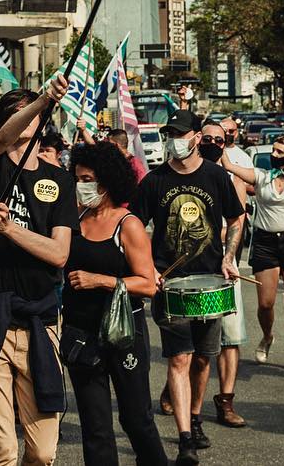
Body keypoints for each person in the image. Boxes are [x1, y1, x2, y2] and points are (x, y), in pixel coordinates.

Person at [133, 110, 244, 466]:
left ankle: (195, 417)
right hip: (170, 285)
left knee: (202, 358)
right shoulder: (155, 181)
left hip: (210, 282)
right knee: (179, 358)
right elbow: (133, 224)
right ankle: (184, 440)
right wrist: (148, 268)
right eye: (170, 134)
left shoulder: (216, 176)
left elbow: (236, 217)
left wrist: (229, 257)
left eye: (180, 133)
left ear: (197, 136)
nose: (174, 140)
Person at [0, 78, 74, 466]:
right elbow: (3, 138)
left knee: (43, 452)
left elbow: (59, 254)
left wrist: (11, 229)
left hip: (42, 324)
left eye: (31, 111)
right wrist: (44, 98)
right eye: (15, 114)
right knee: (4, 451)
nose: (24, 119)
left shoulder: (60, 180)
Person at [64, 142, 165, 466]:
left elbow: (148, 284)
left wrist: (102, 281)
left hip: (123, 334)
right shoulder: (74, 220)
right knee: (95, 428)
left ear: (106, 182)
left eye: (87, 178)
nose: (81, 185)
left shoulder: (128, 224)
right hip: (81, 334)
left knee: (136, 419)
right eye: (77, 178)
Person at [224, 133, 284, 374]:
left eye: (279, 152)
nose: (274, 155)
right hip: (265, 242)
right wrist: (220, 142)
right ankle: (267, 336)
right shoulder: (261, 176)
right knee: (266, 303)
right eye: (273, 151)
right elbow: (229, 166)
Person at [202, 121, 249, 428]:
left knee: (230, 338)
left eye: (220, 139)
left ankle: (226, 401)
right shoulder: (180, 174)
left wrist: (227, 255)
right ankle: (177, 390)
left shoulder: (234, 178)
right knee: (195, 340)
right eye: (208, 138)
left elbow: (237, 221)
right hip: (193, 270)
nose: (215, 143)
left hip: (224, 266)